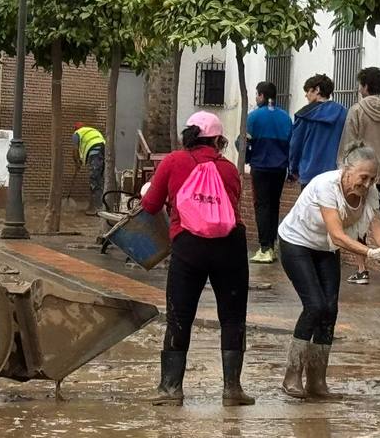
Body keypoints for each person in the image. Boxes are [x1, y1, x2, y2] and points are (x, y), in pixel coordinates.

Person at [140, 111, 253, 407]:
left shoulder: (173, 161)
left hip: (188, 246)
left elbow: (150, 206)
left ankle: (171, 389)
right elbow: (233, 202)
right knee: (232, 317)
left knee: (180, 315)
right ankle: (232, 390)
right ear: (217, 140)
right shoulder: (228, 169)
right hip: (230, 247)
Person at [277, 146, 380, 399]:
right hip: (296, 243)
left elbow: (378, 229)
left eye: (372, 178)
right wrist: (370, 254)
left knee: (330, 309)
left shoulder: (369, 194)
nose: (367, 183)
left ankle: (317, 381)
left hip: (326, 247)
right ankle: (292, 375)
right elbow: (337, 234)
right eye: (363, 177)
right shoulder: (326, 186)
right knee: (314, 305)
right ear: (347, 171)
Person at [338, 67, 380, 284]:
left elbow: (349, 145)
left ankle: (361, 269)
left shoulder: (357, 111)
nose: (359, 90)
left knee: (359, 220)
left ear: (365, 86)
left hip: (360, 176)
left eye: (360, 85)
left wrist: (344, 170)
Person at [246, 81, 293, 264]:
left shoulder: (254, 117)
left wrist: (248, 158)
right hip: (280, 168)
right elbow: (291, 143)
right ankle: (271, 246)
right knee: (274, 206)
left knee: (262, 206)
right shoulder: (285, 117)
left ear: (262, 96)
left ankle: (265, 247)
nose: (256, 98)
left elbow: (244, 142)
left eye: (257, 94)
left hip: (260, 167)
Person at [288, 74, 347, 189]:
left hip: (309, 174)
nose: (306, 95)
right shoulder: (343, 113)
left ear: (317, 90)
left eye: (308, 91)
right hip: (334, 174)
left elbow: (295, 146)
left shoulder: (304, 115)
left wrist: (293, 169)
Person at [73, 122, 107, 216]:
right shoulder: (91, 131)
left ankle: (96, 209)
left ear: (75, 129)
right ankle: (98, 207)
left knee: (94, 180)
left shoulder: (77, 134)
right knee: (99, 180)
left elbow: (75, 150)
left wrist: (76, 162)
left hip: (95, 153)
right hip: (103, 151)